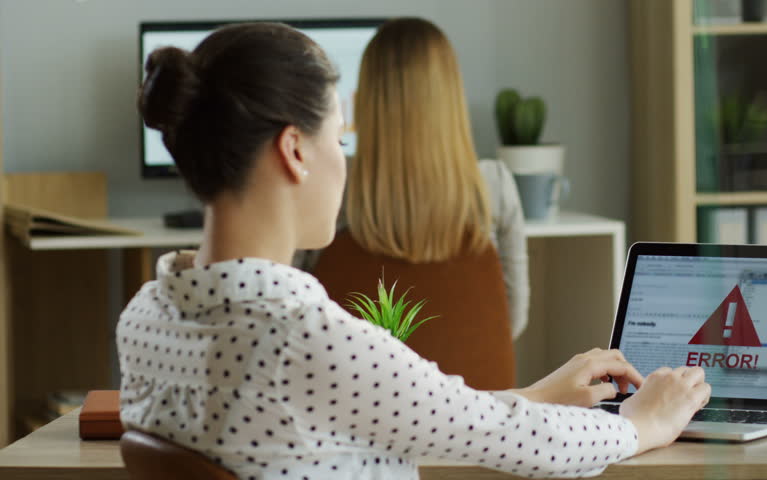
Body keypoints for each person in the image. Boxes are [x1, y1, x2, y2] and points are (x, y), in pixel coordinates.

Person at [118, 21, 711, 480]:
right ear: (295, 150)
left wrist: (532, 396)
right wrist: (642, 423)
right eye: (340, 138)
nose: (345, 161)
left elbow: (394, 412)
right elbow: (517, 442)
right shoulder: (307, 337)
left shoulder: (145, 318)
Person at [340, 17, 530, 339]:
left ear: (369, 98)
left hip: (356, 385)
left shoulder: (334, 186)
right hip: (471, 387)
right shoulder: (493, 185)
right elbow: (511, 320)